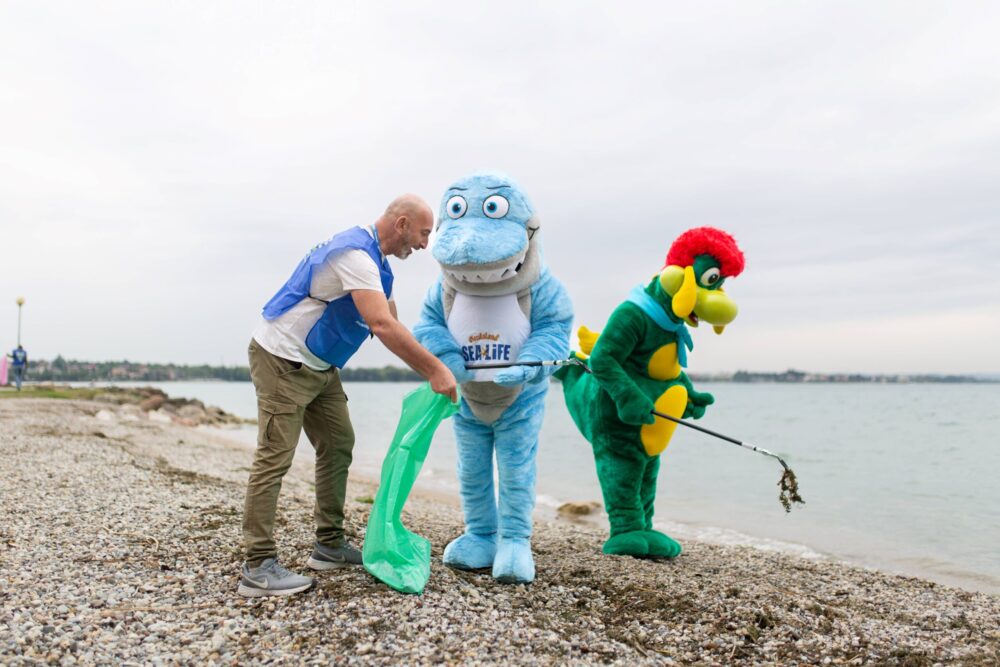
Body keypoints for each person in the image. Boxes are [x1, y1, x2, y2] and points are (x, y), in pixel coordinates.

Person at [239, 194, 457, 598]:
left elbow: (392, 323)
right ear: (403, 223)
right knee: (275, 456)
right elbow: (381, 325)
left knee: (339, 443)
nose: (426, 244)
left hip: (320, 367)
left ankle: (329, 545)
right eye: (425, 233)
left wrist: (444, 359)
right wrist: (435, 371)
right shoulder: (355, 255)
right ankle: (257, 565)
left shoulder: (379, 265)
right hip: (282, 358)